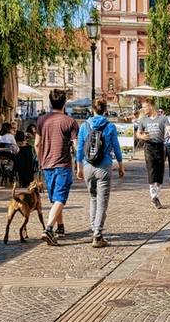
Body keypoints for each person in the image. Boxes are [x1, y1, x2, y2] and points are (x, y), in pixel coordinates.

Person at [75, 98, 124, 248]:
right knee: (102, 201)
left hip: (88, 166)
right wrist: (121, 165)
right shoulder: (110, 126)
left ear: (92, 110)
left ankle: (93, 230)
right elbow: (116, 147)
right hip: (104, 166)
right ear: (105, 110)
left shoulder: (84, 126)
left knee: (93, 199)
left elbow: (79, 147)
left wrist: (79, 167)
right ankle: (98, 235)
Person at [36, 88, 79, 245]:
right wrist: (79, 165)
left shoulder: (42, 120)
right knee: (60, 197)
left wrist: (41, 161)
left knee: (55, 198)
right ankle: (48, 229)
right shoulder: (70, 122)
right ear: (64, 103)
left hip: (47, 164)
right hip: (63, 164)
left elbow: (36, 144)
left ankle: (60, 227)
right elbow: (76, 146)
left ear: (50, 101)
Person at [137, 98, 170, 209]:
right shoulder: (143, 120)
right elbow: (138, 133)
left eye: (145, 107)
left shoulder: (162, 118)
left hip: (160, 146)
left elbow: (169, 129)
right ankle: (154, 196)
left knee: (160, 171)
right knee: (151, 169)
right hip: (148, 146)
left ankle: (157, 193)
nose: (143, 109)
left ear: (151, 106)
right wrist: (142, 136)